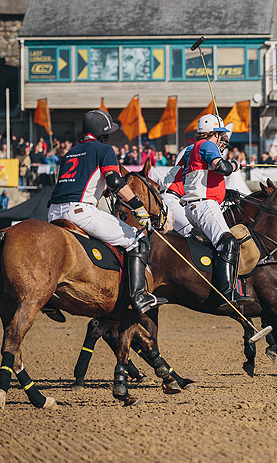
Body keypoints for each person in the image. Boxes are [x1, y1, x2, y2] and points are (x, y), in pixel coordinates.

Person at [47, 109, 167, 316]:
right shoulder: (104, 150)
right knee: (137, 239)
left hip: (53, 213)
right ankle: (139, 296)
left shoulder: (70, 153)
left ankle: (49, 297)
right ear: (102, 133)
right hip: (80, 211)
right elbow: (115, 181)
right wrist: (138, 206)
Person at [182, 114, 253, 310]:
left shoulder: (194, 148)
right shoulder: (207, 145)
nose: (222, 139)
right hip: (204, 204)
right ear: (214, 133)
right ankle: (227, 293)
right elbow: (221, 167)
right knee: (228, 241)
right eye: (220, 135)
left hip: (195, 205)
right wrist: (235, 165)